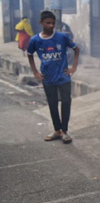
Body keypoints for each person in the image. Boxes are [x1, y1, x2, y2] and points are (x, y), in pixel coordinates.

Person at [26, 11, 80, 144]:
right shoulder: (35, 40)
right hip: (47, 78)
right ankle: (57, 130)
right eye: (47, 23)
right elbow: (29, 54)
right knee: (52, 104)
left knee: (66, 102)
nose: (51, 26)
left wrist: (73, 67)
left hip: (63, 77)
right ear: (41, 23)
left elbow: (76, 49)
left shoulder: (61, 37)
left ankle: (65, 131)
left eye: (53, 23)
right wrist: (35, 72)